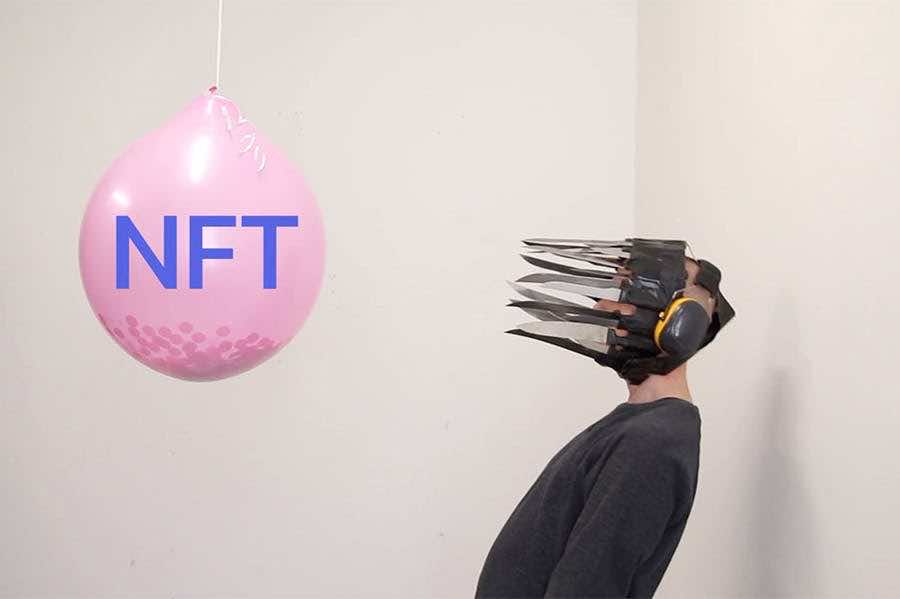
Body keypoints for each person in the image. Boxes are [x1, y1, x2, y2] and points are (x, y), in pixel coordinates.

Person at [476, 240, 734, 598]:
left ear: (678, 325)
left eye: (622, 294)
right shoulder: (638, 428)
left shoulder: (652, 444)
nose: (601, 306)